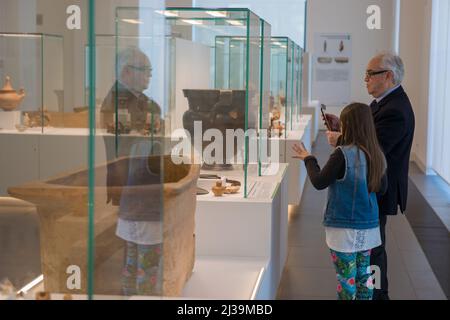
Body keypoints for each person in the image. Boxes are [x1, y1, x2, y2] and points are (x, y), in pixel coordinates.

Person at [323, 53, 415, 300]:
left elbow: (372, 152)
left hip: (378, 186)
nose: (365, 79)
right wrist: (343, 129)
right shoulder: (381, 103)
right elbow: (367, 139)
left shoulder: (395, 109)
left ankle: (377, 295)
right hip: (372, 185)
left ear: (388, 75)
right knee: (370, 247)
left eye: (370, 74)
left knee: (374, 250)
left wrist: (340, 140)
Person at [293, 102, 387, 300]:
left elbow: (319, 181)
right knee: (365, 280)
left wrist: (308, 158)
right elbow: (383, 188)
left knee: (346, 283)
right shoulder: (377, 154)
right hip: (369, 228)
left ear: (347, 126)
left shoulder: (341, 154)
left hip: (344, 229)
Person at [100, 47, 164, 296]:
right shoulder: (119, 102)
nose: (149, 76)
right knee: (143, 259)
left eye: (150, 71)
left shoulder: (139, 102)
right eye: (145, 70)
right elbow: (134, 145)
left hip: (137, 184)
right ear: (127, 72)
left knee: (135, 256)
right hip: (136, 185)